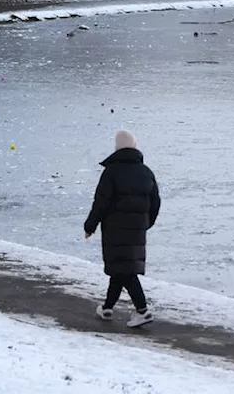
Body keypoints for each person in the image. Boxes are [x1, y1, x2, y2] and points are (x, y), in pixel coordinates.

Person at [85, 130, 161, 328]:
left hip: (114, 230)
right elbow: (155, 203)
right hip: (137, 230)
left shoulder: (111, 172)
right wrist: (145, 223)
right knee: (120, 269)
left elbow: (100, 203)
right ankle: (107, 308)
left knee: (125, 271)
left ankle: (142, 310)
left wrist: (90, 225)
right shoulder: (146, 172)